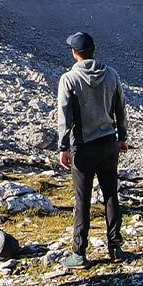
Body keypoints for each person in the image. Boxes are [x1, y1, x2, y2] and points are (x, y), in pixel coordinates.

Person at [56, 31, 129, 267]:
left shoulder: (69, 79)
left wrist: (63, 146)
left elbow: (64, 116)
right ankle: (115, 247)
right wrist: (122, 137)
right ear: (93, 50)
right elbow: (120, 107)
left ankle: (79, 252)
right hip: (108, 142)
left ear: (75, 53)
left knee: (82, 200)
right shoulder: (112, 74)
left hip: (83, 146)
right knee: (110, 195)